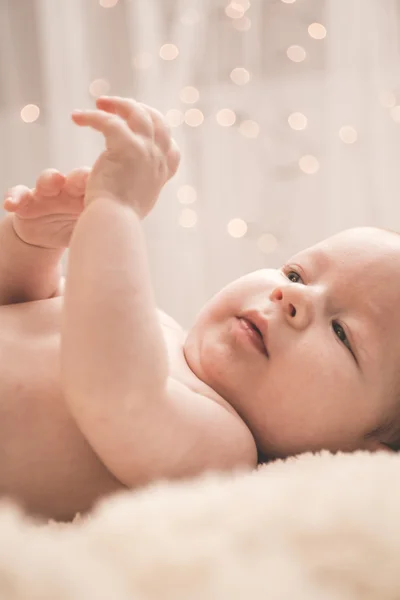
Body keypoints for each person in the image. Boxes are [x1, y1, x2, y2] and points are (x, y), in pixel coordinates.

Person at [1, 96, 400, 522]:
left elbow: (112, 390)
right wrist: (33, 244)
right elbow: (20, 305)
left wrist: (116, 210)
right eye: (297, 274)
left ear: (361, 449)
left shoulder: (222, 449)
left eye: (342, 332)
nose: (293, 297)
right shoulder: (159, 326)